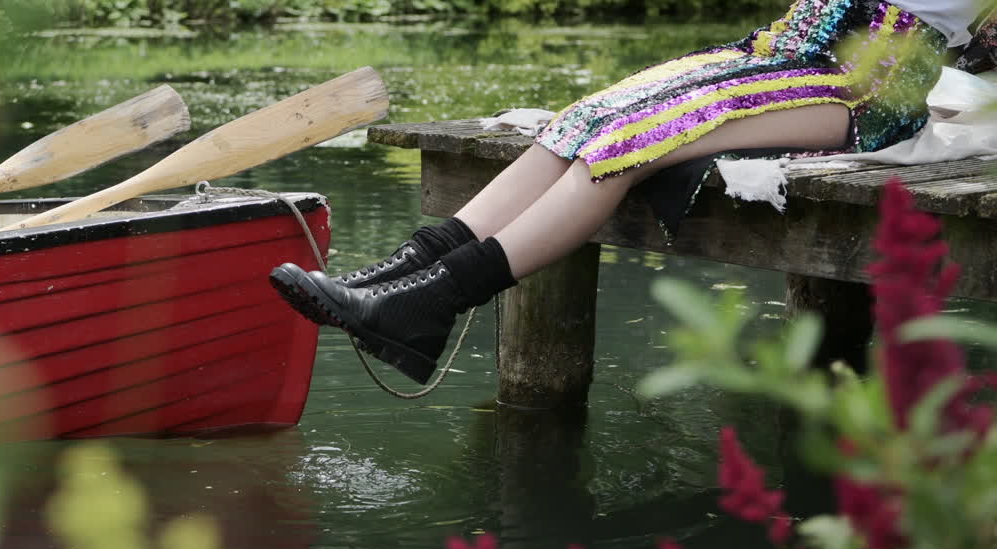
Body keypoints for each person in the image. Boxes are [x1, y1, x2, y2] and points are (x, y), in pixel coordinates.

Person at [271, 0, 991, 385]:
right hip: (788, 47)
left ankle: (431, 302)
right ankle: (394, 282)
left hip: (870, 80)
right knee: (581, 121)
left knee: (637, 141)